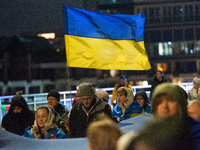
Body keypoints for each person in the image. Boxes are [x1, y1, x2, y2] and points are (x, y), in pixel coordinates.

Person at [150, 83, 200, 149]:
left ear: (181, 104)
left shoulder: (195, 132)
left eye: (170, 100)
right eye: (159, 102)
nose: (164, 106)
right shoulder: (149, 133)